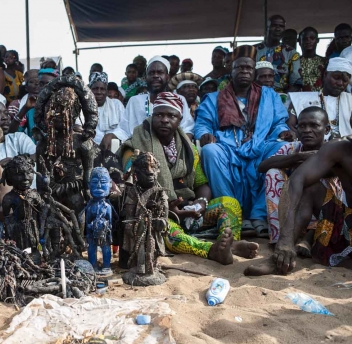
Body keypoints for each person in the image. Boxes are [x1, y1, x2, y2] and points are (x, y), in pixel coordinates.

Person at [119, 92, 259, 265]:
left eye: (171, 116)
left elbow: (202, 184)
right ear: (152, 116)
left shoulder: (188, 148)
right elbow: (132, 191)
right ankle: (211, 250)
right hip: (156, 211)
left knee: (231, 204)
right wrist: (166, 208)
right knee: (163, 229)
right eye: (159, 115)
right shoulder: (134, 147)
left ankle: (231, 243)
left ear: (180, 119)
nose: (164, 120)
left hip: (189, 210)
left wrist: (200, 203)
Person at [195, 45, 292, 236]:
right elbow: (202, 124)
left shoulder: (269, 96)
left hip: (261, 145)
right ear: (231, 71)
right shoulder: (214, 98)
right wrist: (205, 134)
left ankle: (258, 215)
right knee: (209, 151)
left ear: (254, 71)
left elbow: (279, 122)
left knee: (286, 149)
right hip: (228, 147)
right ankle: (232, 213)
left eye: (248, 67)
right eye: (239, 67)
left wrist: (283, 132)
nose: (244, 71)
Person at [245, 135, 352, 276]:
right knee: (309, 188)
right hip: (347, 228)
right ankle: (281, 258)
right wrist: (285, 240)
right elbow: (297, 179)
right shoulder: (339, 148)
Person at [259, 107, 332, 244]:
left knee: (315, 183)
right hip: (294, 210)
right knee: (273, 173)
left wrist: (314, 161)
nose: (307, 130)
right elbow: (262, 167)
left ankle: (311, 236)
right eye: (302, 126)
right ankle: (279, 236)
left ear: (327, 129)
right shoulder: (293, 148)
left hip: (324, 213)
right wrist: (298, 156)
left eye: (314, 125)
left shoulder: (332, 150)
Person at [100, 56, 195, 149]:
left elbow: (187, 129)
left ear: (167, 77)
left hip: (171, 150)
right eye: (152, 73)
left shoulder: (178, 99)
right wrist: (111, 134)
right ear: (146, 77)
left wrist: (179, 149)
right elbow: (124, 129)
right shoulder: (135, 101)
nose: (155, 76)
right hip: (138, 149)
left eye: (160, 72)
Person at [288, 57, 352, 140]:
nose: (340, 83)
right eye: (336, 78)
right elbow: (290, 126)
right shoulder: (299, 98)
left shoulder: (350, 100)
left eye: (345, 80)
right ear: (325, 75)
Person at [254, 15, 302, 93]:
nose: (278, 29)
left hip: (282, 98)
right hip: (257, 96)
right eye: (274, 25)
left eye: (281, 26)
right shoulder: (253, 51)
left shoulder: (291, 53)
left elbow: (296, 83)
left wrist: (284, 99)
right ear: (267, 28)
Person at [9, 68, 58, 141]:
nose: (44, 87)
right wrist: (25, 109)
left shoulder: (63, 107)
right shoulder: (31, 108)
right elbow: (12, 134)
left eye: (48, 84)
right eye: (41, 84)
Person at [89, 72, 125, 145]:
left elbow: (124, 128)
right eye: (95, 89)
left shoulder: (116, 105)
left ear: (107, 91)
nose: (99, 92)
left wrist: (112, 136)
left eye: (102, 89)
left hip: (113, 147)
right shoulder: (82, 106)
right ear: (90, 90)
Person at [298, 27, 326, 92]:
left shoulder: (325, 61)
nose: (308, 41)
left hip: (321, 98)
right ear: (299, 41)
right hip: (299, 98)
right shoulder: (294, 62)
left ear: (317, 40)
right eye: (305, 39)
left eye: (312, 38)